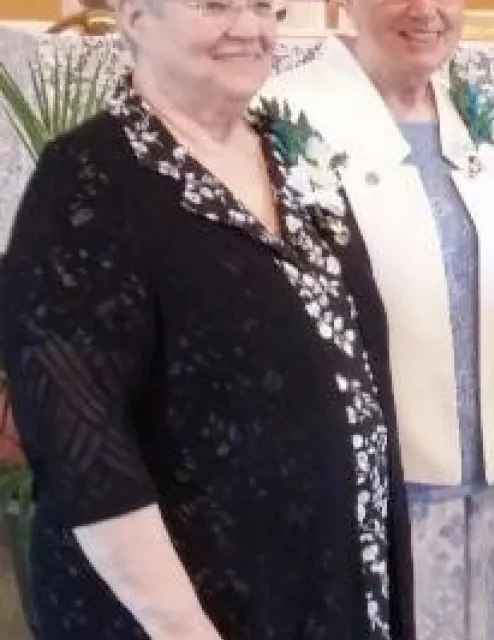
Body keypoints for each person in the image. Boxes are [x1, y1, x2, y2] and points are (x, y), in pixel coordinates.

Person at [0, 0, 414, 636]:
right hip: (187, 609)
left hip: (333, 583)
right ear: (136, 17)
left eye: (263, 6)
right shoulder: (88, 179)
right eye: (215, 4)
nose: (250, 28)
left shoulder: (291, 156)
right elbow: (83, 450)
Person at [261, 0, 494, 636]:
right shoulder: (285, 117)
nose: (426, 10)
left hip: (485, 488)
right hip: (367, 489)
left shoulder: (478, 117)